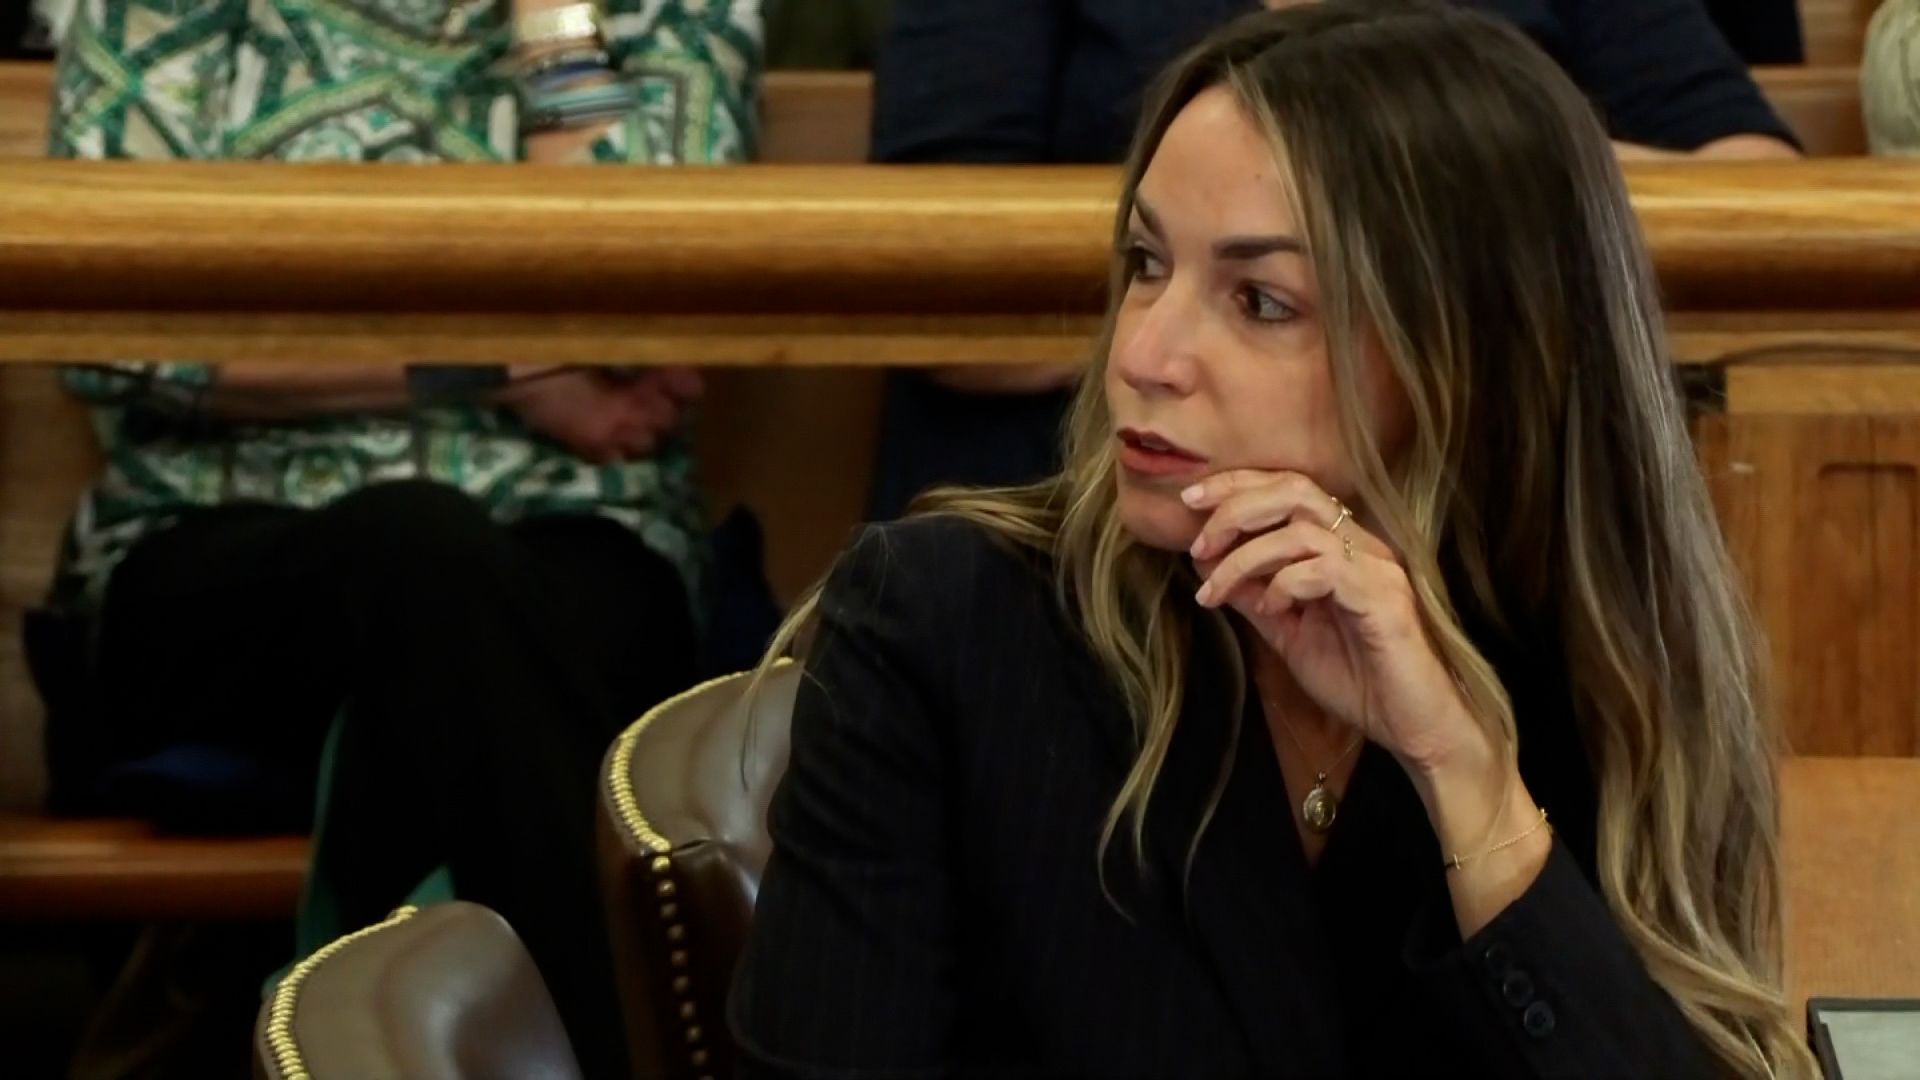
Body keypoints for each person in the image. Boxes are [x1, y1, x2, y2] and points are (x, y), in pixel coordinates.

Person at [732, 3, 1811, 1077]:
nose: (1143, 353)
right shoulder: (944, 625)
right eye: (1146, 262)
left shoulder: (1591, 656)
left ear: (1466, 350)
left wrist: (1467, 781)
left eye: (1260, 300)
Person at [35, 0, 757, 1073]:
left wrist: (554, 25)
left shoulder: (661, 16)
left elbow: (644, 300)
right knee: (423, 554)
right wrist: (498, 375)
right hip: (231, 561)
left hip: (576, 548)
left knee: (461, 644)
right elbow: (116, 327)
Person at [864, 0, 1800, 522]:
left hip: (1474, 522)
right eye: (1143, 262)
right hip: (1085, 526)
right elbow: (921, 255)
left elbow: (1766, 200)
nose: (1148, 346)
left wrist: (1431, 185)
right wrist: (1246, 269)